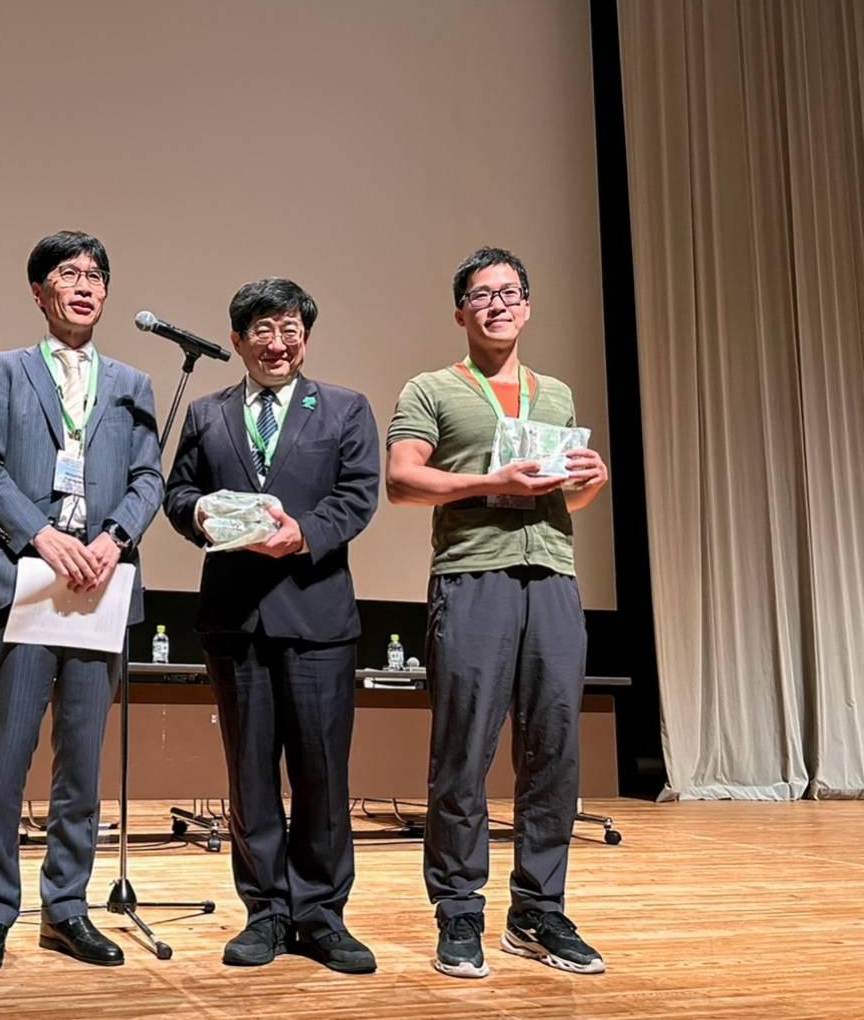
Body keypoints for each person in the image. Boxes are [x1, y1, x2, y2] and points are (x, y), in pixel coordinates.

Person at [385, 246, 610, 980]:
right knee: (464, 751)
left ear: (528, 307)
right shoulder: (431, 389)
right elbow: (402, 480)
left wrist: (592, 481)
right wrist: (492, 480)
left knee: (554, 752)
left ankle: (538, 910)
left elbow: (567, 497)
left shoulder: (556, 394)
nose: (498, 304)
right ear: (461, 313)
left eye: (510, 293)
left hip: (553, 576)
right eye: (482, 295)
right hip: (472, 575)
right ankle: (459, 910)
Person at [0, 230, 164, 975]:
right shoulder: (4, 369)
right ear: (39, 291)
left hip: (100, 582)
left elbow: (149, 478)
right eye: (68, 274)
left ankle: (67, 908)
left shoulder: (132, 383)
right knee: (7, 758)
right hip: (26, 577)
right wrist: (42, 537)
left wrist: (114, 537)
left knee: (82, 761)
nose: (84, 286)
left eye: (95, 275)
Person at [163, 278, 380, 974]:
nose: (277, 343)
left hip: (317, 615)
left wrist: (302, 534)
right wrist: (199, 514)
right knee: (250, 774)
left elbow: (358, 495)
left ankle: (321, 915)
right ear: (237, 340)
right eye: (262, 329)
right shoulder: (207, 412)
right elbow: (179, 492)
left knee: (322, 775)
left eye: (290, 329)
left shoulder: (345, 408)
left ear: (305, 338)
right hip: (235, 621)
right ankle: (266, 912)